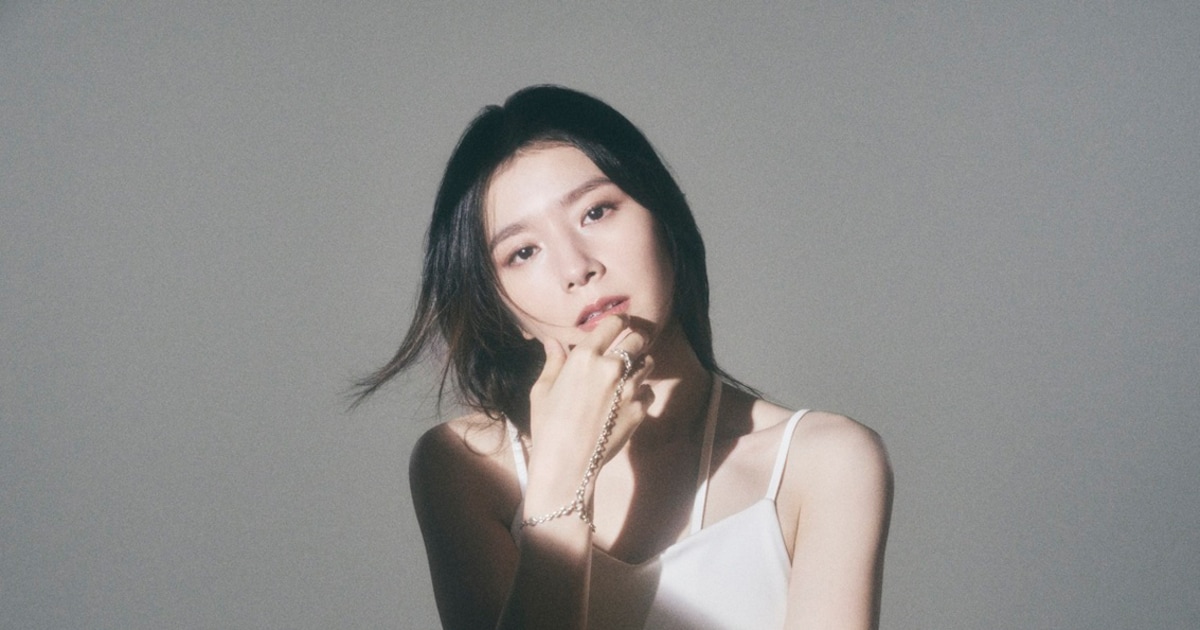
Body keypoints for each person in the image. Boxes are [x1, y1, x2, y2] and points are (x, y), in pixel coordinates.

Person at [356, 85, 893, 629]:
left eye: (596, 212)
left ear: (664, 218)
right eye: (523, 252)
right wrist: (563, 485)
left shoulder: (823, 462)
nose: (576, 267)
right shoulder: (467, 468)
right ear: (504, 312)